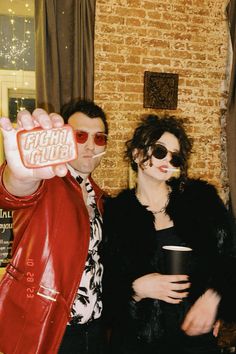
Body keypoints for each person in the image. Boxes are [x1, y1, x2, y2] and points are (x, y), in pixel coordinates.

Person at [102, 114, 236, 354]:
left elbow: (230, 259)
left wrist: (214, 298)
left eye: (176, 157)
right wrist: (135, 289)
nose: (168, 161)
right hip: (136, 344)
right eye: (160, 151)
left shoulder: (201, 203)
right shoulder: (114, 215)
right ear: (136, 153)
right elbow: (103, 287)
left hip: (193, 340)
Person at [0, 99, 108, 354]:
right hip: (52, 329)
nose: (91, 146)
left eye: (100, 138)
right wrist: (21, 175)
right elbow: (15, 193)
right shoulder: (46, 181)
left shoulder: (98, 195)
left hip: (93, 330)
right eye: (80, 136)